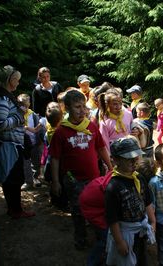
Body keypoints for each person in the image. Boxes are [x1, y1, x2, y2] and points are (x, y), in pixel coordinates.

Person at [49, 89, 112, 250]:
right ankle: (81, 238)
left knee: (98, 207)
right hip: (73, 180)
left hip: (94, 177)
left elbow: (101, 148)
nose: (82, 110)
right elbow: (55, 158)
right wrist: (56, 181)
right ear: (67, 109)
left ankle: (101, 237)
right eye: (77, 107)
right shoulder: (61, 132)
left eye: (84, 106)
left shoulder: (91, 126)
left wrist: (110, 167)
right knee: (77, 211)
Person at [0, 65, 35, 219]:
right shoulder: (2, 98)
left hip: (12, 145)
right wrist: (18, 117)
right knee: (12, 179)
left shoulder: (5, 96)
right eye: (17, 80)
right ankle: (15, 210)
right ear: (10, 80)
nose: (18, 83)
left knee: (13, 178)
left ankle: (15, 207)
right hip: (8, 146)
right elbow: (0, 124)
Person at [105, 137, 156, 266]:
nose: (134, 161)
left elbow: (147, 200)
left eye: (136, 157)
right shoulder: (113, 186)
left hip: (141, 229)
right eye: (129, 159)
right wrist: (119, 241)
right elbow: (112, 218)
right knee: (126, 260)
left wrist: (153, 221)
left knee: (141, 257)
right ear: (115, 160)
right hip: (125, 232)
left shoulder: (139, 178)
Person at [17, 93, 44, 190]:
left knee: (36, 162)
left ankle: (35, 178)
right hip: (23, 143)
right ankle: (28, 182)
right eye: (22, 105)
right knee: (26, 163)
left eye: (26, 105)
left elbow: (39, 128)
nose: (24, 107)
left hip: (35, 142)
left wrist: (41, 140)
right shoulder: (16, 115)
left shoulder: (33, 115)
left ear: (29, 104)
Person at [98, 88, 133, 154]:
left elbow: (132, 128)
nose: (119, 106)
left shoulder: (128, 114)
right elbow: (104, 142)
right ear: (107, 105)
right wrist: (109, 159)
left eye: (120, 103)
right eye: (115, 104)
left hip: (130, 150)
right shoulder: (105, 122)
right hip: (116, 154)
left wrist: (136, 129)